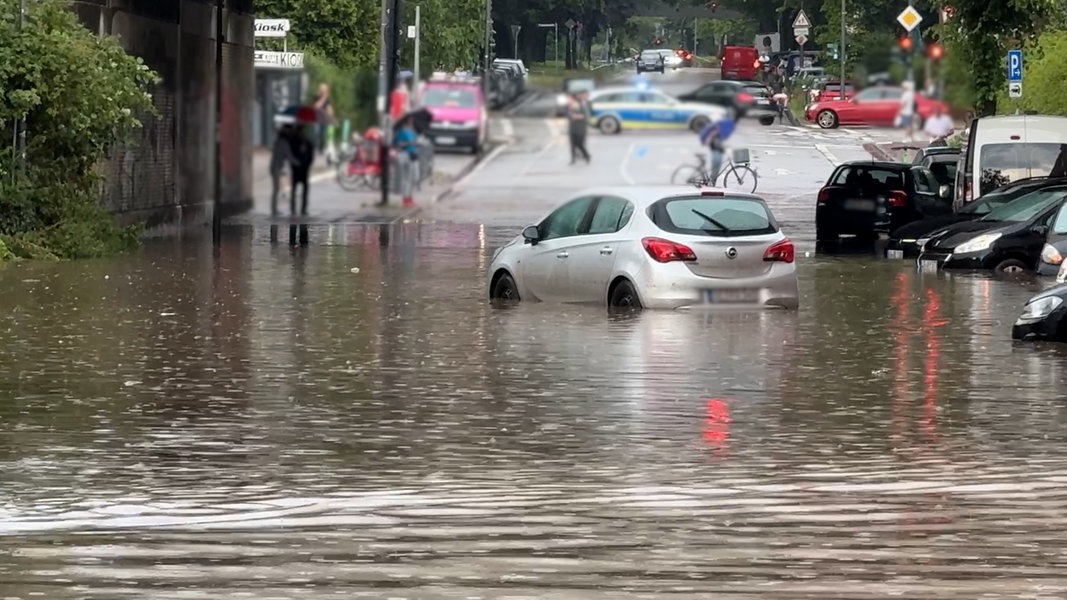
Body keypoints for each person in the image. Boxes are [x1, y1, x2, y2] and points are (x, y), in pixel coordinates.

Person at [698, 110, 737, 184]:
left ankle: (712, 182)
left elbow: (720, 141)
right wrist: (712, 136)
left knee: (716, 169)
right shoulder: (713, 130)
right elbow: (709, 142)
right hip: (715, 152)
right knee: (715, 169)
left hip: (717, 151)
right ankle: (711, 183)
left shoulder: (717, 130)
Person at [289, 122, 315, 216]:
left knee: (304, 189)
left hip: (304, 169)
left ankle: (303, 208)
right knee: (294, 189)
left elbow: (311, 156)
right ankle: (293, 208)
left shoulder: (307, 142)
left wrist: (307, 165)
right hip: (296, 169)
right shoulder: (293, 141)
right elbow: (290, 155)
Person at [269, 123, 295, 216]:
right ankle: (274, 209)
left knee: (276, 189)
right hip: (277, 167)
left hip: (274, 167)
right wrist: (297, 162)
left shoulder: (277, 142)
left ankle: (274, 209)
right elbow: (289, 156)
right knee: (276, 189)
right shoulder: (284, 144)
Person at [393, 115, 419, 208]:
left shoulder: (412, 131)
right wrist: (408, 143)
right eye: (410, 119)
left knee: (413, 178)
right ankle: (405, 199)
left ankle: (410, 197)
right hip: (405, 155)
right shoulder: (402, 131)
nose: (412, 120)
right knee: (406, 178)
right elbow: (399, 144)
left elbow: (414, 142)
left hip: (413, 155)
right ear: (406, 121)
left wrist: (416, 143)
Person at [567, 90, 591, 165]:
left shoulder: (583, 104)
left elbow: (586, 115)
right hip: (572, 127)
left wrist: (578, 116)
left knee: (579, 143)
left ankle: (586, 155)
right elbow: (567, 114)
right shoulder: (570, 106)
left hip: (581, 127)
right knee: (572, 144)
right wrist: (571, 116)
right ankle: (573, 159)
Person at [313, 83, 334, 154]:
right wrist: (323, 98)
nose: (324, 92)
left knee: (323, 134)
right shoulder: (316, 97)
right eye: (323, 90)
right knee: (316, 133)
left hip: (324, 119)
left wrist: (331, 114)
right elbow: (316, 106)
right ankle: (314, 147)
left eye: (325, 90)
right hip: (317, 118)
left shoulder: (327, 99)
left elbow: (329, 107)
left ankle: (321, 149)